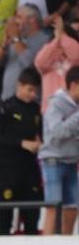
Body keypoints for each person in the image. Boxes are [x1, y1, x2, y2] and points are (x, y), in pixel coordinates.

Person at [0, 68, 44, 235]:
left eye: (36, 91)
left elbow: (42, 135)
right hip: (7, 168)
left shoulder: (37, 110)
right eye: (30, 89)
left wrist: (40, 141)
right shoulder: (3, 108)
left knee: (32, 216)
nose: (32, 94)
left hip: (30, 168)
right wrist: (22, 143)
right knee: (5, 217)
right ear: (19, 85)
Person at [40, 65, 79, 234]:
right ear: (74, 85)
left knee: (72, 207)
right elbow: (56, 132)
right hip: (53, 161)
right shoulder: (56, 104)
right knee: (53, 207)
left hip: (71, 161)